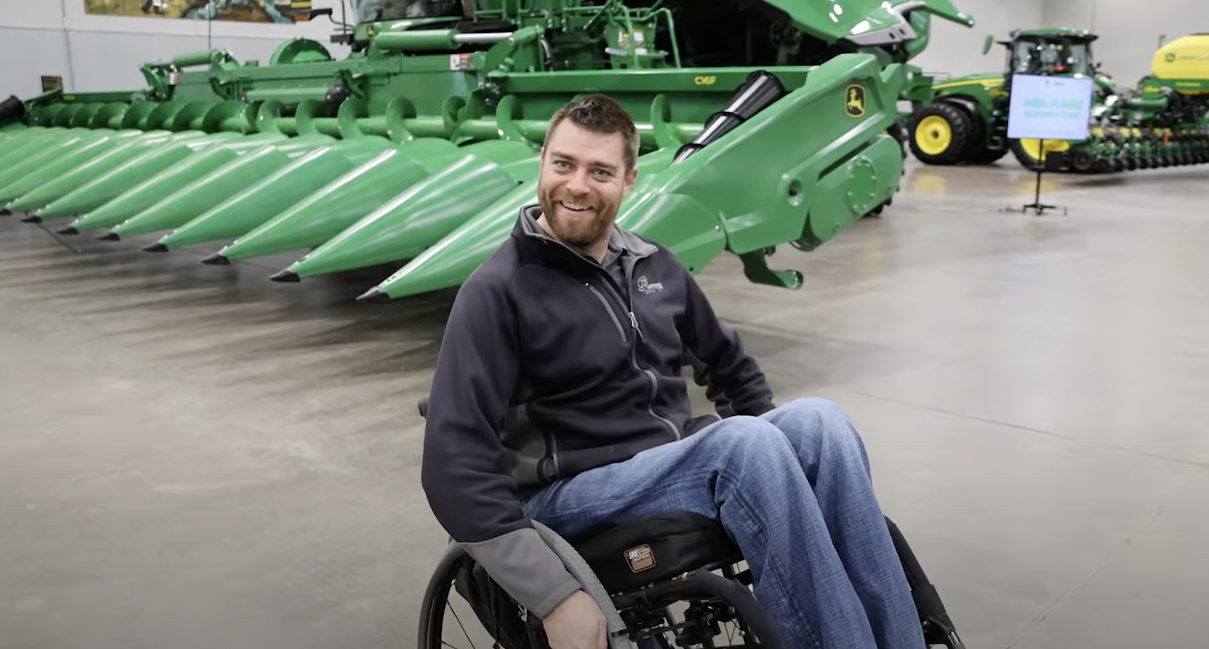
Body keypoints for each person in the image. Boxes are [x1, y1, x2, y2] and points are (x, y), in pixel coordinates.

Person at [421, 94, 924, 649]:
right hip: (568, 492)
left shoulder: (653, 265)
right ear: (543, 162)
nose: (577, 186)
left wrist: (782, 464)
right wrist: (553, 596)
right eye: (563, 164)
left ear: (629, 180)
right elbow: (454, 464)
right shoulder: (499, 291)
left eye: (600, 172)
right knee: (744, 448)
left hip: (664, 464)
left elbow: (730, 364)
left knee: (821, 424)